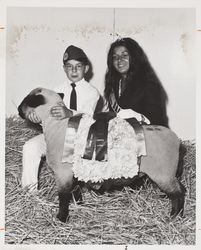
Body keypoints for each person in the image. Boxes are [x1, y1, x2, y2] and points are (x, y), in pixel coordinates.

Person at [22, 45, 100, 190]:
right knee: (30, 147)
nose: (74, 70)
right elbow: (48, 118)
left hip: (78, 138)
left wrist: (70, 113)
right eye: (69, 66)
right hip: (55, 138)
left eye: (78, 66)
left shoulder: (92, 92)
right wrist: (38, 119)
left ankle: (77, 187)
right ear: (64, 69)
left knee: (73, 159)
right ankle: (30, 193)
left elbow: (89, 116)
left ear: (86, 69)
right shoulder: (56, 90)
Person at [104, 37, 169, 127]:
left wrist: (139, 117)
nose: (119, 60)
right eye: (115, 57)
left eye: (124, 55)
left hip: (146, 136)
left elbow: (158, 122)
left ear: (134, 57)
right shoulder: (113, 84)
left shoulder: (148, 84)